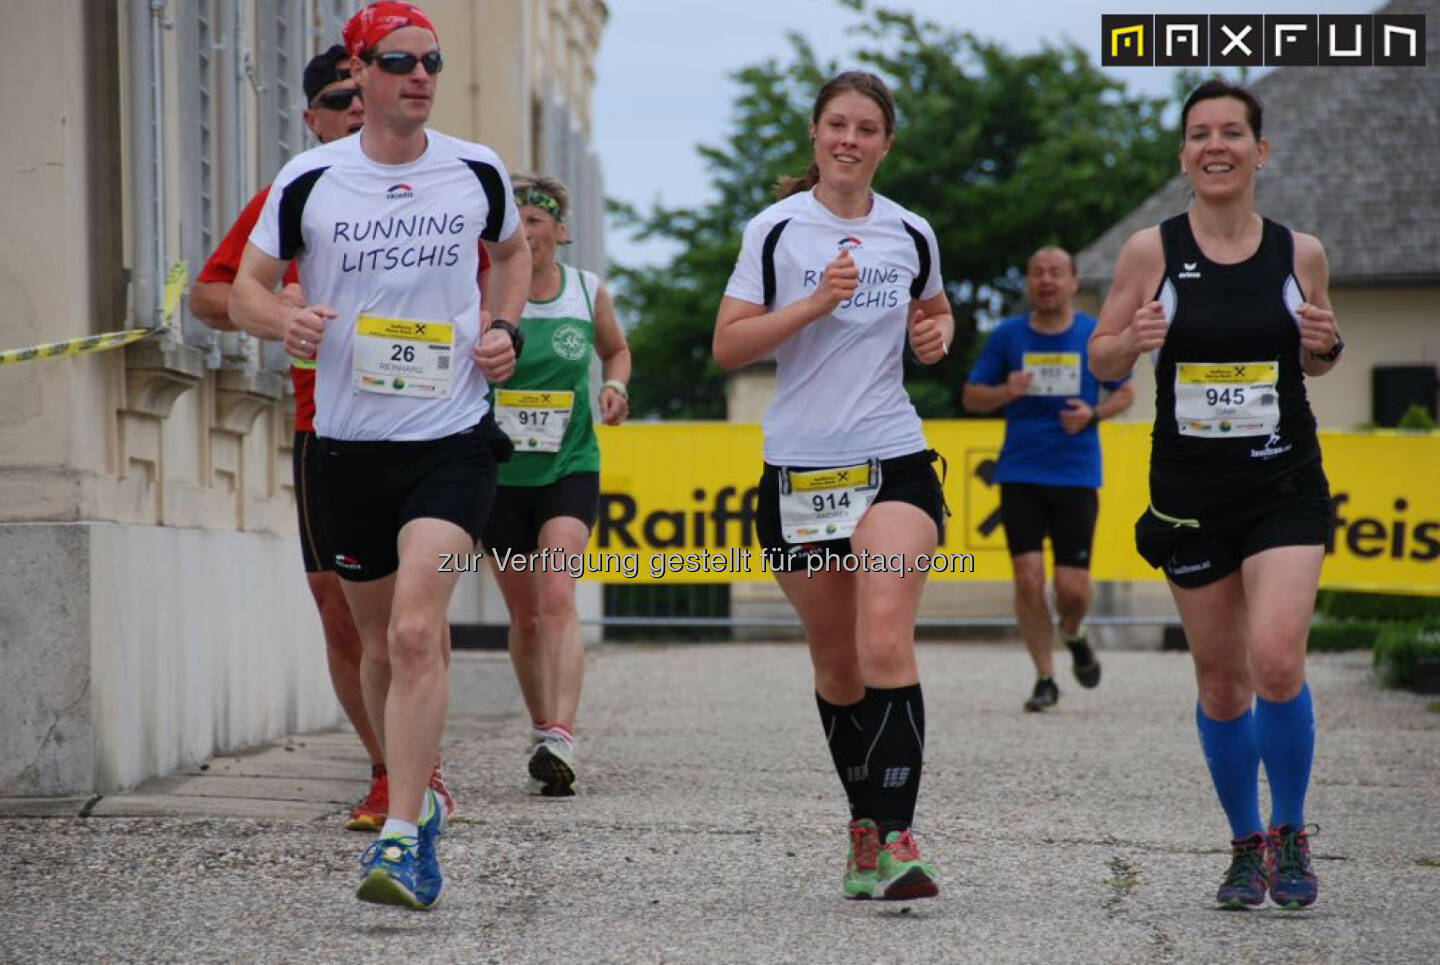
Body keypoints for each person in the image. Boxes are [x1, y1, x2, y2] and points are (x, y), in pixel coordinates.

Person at [231, 1, 531, 912]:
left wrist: (504, 326)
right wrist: (285, 316)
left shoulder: (477, 169)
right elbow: (242, 289)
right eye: (399, 60)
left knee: (413, 629)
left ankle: (405, 834)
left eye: (431, 60)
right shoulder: (310, 179)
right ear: (358, 73)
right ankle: (411, 783)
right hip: (346, 445)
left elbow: (512, 256)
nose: (420, 76)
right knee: (372, 644)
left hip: (450, 436)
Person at [1089, 79, 1342, 911]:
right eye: (1200, 134)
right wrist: (1130, 339)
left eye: (1232, 132)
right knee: (1222, 681)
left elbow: (1316, 351)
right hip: (1191, 493)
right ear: (1184, 155)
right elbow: (1102, 358)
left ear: (1259, 150)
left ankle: (1292, 830)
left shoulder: (1298, 252)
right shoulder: (1149, 252)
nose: (1216, 146)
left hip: (1284, 484)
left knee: (1275, 659)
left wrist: (1326, 344)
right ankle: (1244, 844)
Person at [714, 70, 952, 901]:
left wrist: (935, 336)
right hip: (801, 470)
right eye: (836, 125)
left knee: (885, 636)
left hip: (894, 459)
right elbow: (729, 346)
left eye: (867, 128)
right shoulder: (776, 231)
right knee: (840, 662)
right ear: (815, 135)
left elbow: (937, 310)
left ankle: (897, 837)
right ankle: (864, 825)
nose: (850, 140)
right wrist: (814, 303)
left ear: (886, 143)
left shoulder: (911, 231)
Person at [481, 174, 631, 797]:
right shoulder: (480, 292)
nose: (526, 232)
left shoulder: (584, 291)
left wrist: (615, 385)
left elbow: (617, 350)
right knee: (526, 616)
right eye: (515, 223)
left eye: (536, 221)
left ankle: (563, 732)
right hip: (498, 474)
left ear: (558, 231)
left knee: (557, 599)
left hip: (568, 465)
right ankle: (542, 727)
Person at [962, 246, 1134, 711]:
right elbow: (971, 396)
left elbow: (1125, 392)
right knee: (1027, 578)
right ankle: (1044, 678)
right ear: (1027, 283)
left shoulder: (1094, 334)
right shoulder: (1008, 336)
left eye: (1056, 272)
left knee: (1073, 588)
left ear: (1074, 282)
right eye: (1037, 272)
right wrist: (1005, 391)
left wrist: (1093, 413)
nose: (1047, 280)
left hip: (1076, 472)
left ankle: (1074, 635)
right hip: (1019, 470)